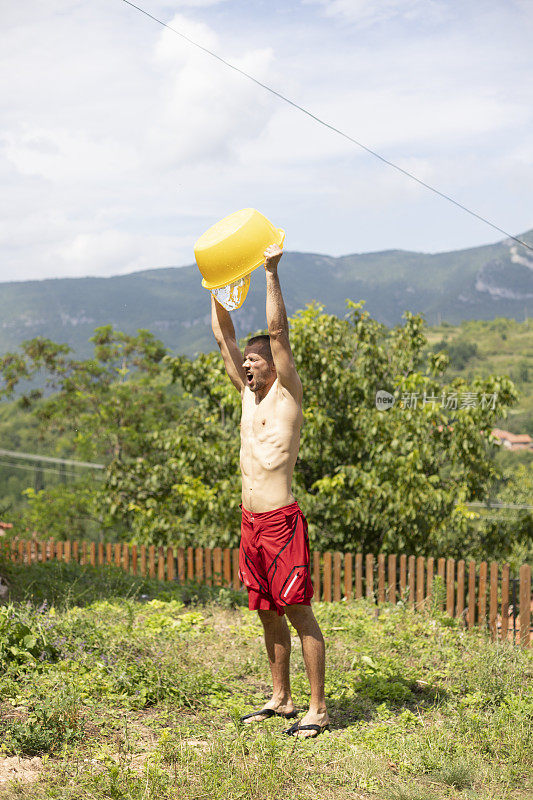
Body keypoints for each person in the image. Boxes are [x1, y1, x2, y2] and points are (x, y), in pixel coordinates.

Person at [210, 243, 329, 739]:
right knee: (266, 613)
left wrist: (270, 272)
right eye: (249, 362)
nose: (250, 365)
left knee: (298, 612)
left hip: (281, 522)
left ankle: (318, 709)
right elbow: (224, 337)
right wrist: (214, 286)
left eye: (257, 360)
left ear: (274, 365)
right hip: (250, 523)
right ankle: (280, 699)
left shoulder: (287, 395)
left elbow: (277, 332)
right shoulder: (246, 394)